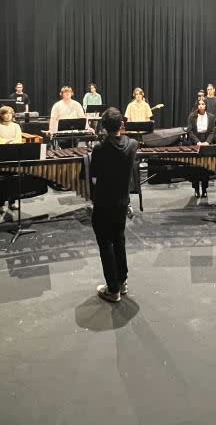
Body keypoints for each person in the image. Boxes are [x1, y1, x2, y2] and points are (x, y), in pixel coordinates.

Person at [88, 108, 138, 303]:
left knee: (105, 244)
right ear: (122, 125)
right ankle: (123, 281)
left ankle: (113, 289)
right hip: (121, 203)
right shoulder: (133, 145)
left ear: (102, 127)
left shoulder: (100, 148)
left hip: (103, 204)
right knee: (119, 239)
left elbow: (94, 176)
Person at [187, 100, 216, 197]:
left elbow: (212, 131)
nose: (201, 106)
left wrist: (207, 142)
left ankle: (204, 189)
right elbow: (190, 131)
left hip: (206, 141)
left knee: (205, 167)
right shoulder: (192, 116)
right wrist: (198, 142)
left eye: (203, 104)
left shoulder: (211, 117)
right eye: (199, 104)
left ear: (206, 106)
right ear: (197, 106)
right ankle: (196, 189)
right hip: (196, 141)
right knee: (195, 167)